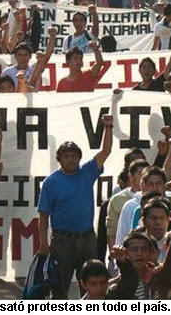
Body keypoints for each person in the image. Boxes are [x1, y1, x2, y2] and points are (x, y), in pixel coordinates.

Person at [38, 116, 114, 300]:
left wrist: (108, 127)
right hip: (63, 242)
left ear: (79, 158)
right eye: (66, 156)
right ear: (60, 159)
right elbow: (43, 215)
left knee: (92, 288)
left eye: (74, 156)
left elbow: (106, 150)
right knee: (60, 288)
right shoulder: (51, 182)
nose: (70, 159)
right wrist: (43, 243)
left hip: (87, 239)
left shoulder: (87, 172)